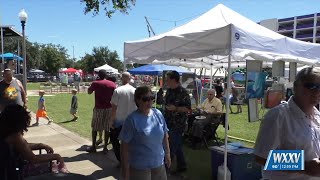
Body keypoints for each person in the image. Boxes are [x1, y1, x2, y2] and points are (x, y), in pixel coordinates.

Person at [254, 67, 320, 179]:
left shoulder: (317, 116)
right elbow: (261, 156)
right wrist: (304, 166)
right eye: (311, 86)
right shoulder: (277, 115)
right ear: (295, 87)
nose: (317, 91)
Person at [0, 104, 67, 179]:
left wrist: (40, 145)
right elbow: (32, 158)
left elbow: (23, 146)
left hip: (7, 169)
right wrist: (56, 156)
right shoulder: (15, 136)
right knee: (54, 167)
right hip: (12, 172)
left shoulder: (5, 132)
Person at [119, 86, 171, 180]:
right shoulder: (131, 120)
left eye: (152, 98)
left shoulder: (158, 114)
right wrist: (126, 170)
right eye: (146, 99)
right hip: (140, 167)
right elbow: (124, 147)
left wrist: (167, 154)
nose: (150, 102)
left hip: (159, 163)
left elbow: (165, 135)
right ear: (138, 100)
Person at [164, 70, 191, 174]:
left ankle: (165, 170)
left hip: (178, 124)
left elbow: (188, 109)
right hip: (168, 122)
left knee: (170, 147)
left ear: (174, 80)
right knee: (178, 145)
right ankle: (182, 166)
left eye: (168, 80)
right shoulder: (169, 91)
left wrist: (175, 108)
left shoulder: (183, 92)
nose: (166, 81)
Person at [110, 72, 137, 166]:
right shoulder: (135, 90)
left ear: (122, 78)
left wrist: (111, 120)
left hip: (119, 121)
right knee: (130, 142)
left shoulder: (118, 90)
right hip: (132, 121)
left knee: (114, 140)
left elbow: (114, 108)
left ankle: (121, 160)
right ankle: (129, 160)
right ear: (130, 79)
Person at [87, 70, 116, 153]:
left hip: (99, 108)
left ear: (98, 75)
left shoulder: (96, 83)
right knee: (107, 128)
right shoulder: (112, 84)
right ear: (106, 75)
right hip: (109, 108)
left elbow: (89, 92)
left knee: (95, 127)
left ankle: (93, 147)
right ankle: (105, 148)